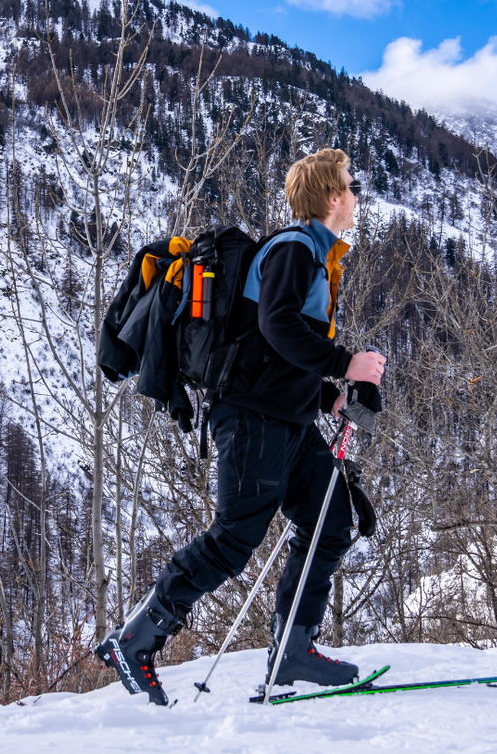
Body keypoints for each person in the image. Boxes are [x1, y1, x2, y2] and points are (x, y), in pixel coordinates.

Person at [97, 148, 387, 705]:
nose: (356, 197)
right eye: (352, 188)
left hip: (289, 420)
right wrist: (344, 364)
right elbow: (277, 326)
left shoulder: (315, 255)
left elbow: (274, 352)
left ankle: (293, 651)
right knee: (233, 541)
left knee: (330, 522)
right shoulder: (295, 250)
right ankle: (134, 640)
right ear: (332, 197)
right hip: (254, 422)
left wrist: (329, 397)